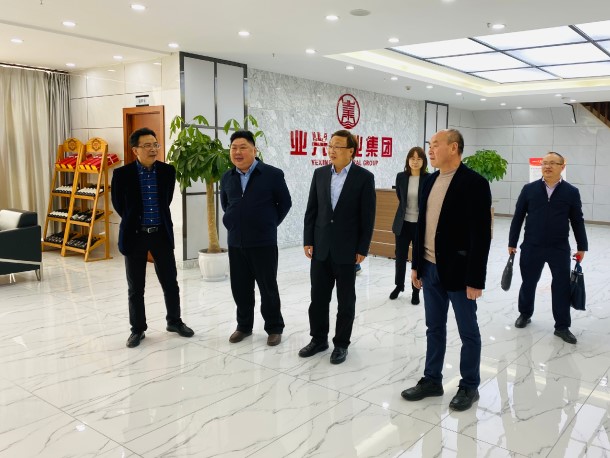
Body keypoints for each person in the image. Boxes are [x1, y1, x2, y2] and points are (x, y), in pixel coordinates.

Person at [401, 129, 491, 411]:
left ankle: (469, 385)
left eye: (435, 145)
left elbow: (481, 235)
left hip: (460, 272)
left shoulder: (475, 183)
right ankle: (432, 379)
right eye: (429, 145)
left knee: (468, 331)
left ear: (453, 148)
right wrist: (416, 265)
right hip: (430, 268)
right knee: (434, 328)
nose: (430, 150)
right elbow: (421, 226)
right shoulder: (429, 181)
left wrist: (476, 279)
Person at [111, 127, 194, 348]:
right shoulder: (122, 174)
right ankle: (137, 329)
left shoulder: (167, 171)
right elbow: (119, 205)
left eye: (155, 144)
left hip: (161, 234)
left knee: (170, 282)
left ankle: (174, 321)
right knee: (136, 287)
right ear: (135, 150)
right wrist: (136, 221)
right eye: (147, 145)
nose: (153, 149)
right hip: (135, 235)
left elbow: (166, 200)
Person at [300, 129, 376, 365]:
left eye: (337, 146)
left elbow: (368, 216)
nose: (331, 150)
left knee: (346, 301)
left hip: (347, 249)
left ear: (351, 151)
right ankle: (318, 339)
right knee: (318, 298)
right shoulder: (320, 174)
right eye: (330, 146)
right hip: (321, 247)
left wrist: (362, 248)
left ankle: (341, 344)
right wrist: (308, 239)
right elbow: (312, 209)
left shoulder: (364, 177)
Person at [220, 130, 292, 346]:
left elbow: (285, 203)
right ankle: (243, 326)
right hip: (236, 241)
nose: (238, 152)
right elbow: (226, 204)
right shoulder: (227, 177)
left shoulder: (272, 174)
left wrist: (268, 224)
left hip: (263, 242)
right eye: (234, 148)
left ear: (254, 150)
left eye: (243, 147)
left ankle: (274, 327)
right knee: (240, 287)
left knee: (267, 287)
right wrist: (233, 222)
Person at [508, 151, 588, 345]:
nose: (547, 166)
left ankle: (562, 326)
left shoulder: (571, 192)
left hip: (559, 247)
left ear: (562, 166)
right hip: (532, 246)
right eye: (544, 163)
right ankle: (525, 314)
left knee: (561, 286)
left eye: (552, 163)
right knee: (528, 282)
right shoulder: (529, 189)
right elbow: (518, 217)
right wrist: (512, 242)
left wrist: (582, 246)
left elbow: (577, 220)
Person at [390, 146, 429, 303]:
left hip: (420, 225)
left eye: (419, 159)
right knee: (400, 257)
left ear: (423, 161)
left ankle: (416, 290)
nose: (415, 161)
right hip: (403, 224)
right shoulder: (401, 177)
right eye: (412, 158)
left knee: (417, 259)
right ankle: (399, 285)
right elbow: (401, 198)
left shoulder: (428, 178)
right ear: (408, 160)